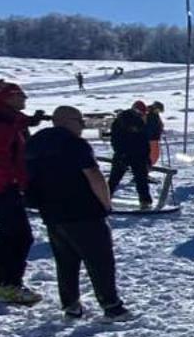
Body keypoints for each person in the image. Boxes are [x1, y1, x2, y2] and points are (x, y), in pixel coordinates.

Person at [25, 106, 130, 320]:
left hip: (51, 211)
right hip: (84, 210)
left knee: (65, 261)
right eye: (79, 120)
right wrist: (106, 203)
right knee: (100, 260)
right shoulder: (74, 144)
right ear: (65, 120)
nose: (82, 125)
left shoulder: (35, 143)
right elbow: (93, 174)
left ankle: (71, 305)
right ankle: (112, 306)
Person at [0, 80, 44, 304]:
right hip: (0, 185)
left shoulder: (1, 115)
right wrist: (10, 181)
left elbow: (13, 124)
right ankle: (10, 284)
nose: (25, 99)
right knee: (19, 235)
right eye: (21, 95)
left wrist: (31, 120)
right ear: (9, 97)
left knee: (8, 233)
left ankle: (0, 283)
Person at [106, 100, 153, 210]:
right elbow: (116, 139)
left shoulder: (140, 122)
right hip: (124, 154)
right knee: (115, 178)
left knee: (141, 179)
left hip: (137, 155)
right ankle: (104, 199)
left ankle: (145, 201)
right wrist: (121, 152)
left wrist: (147, 158)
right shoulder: (122, 120)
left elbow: (144, 141)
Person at [145, 102, 166, 166]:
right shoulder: (149, 115)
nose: (159, 112)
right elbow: (150, 126)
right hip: (151, 138)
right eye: (159, 110)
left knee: (155, 155)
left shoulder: (154, 114)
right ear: (156, 108)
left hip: (154, 137)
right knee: (153, 155)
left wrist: (161, 126)